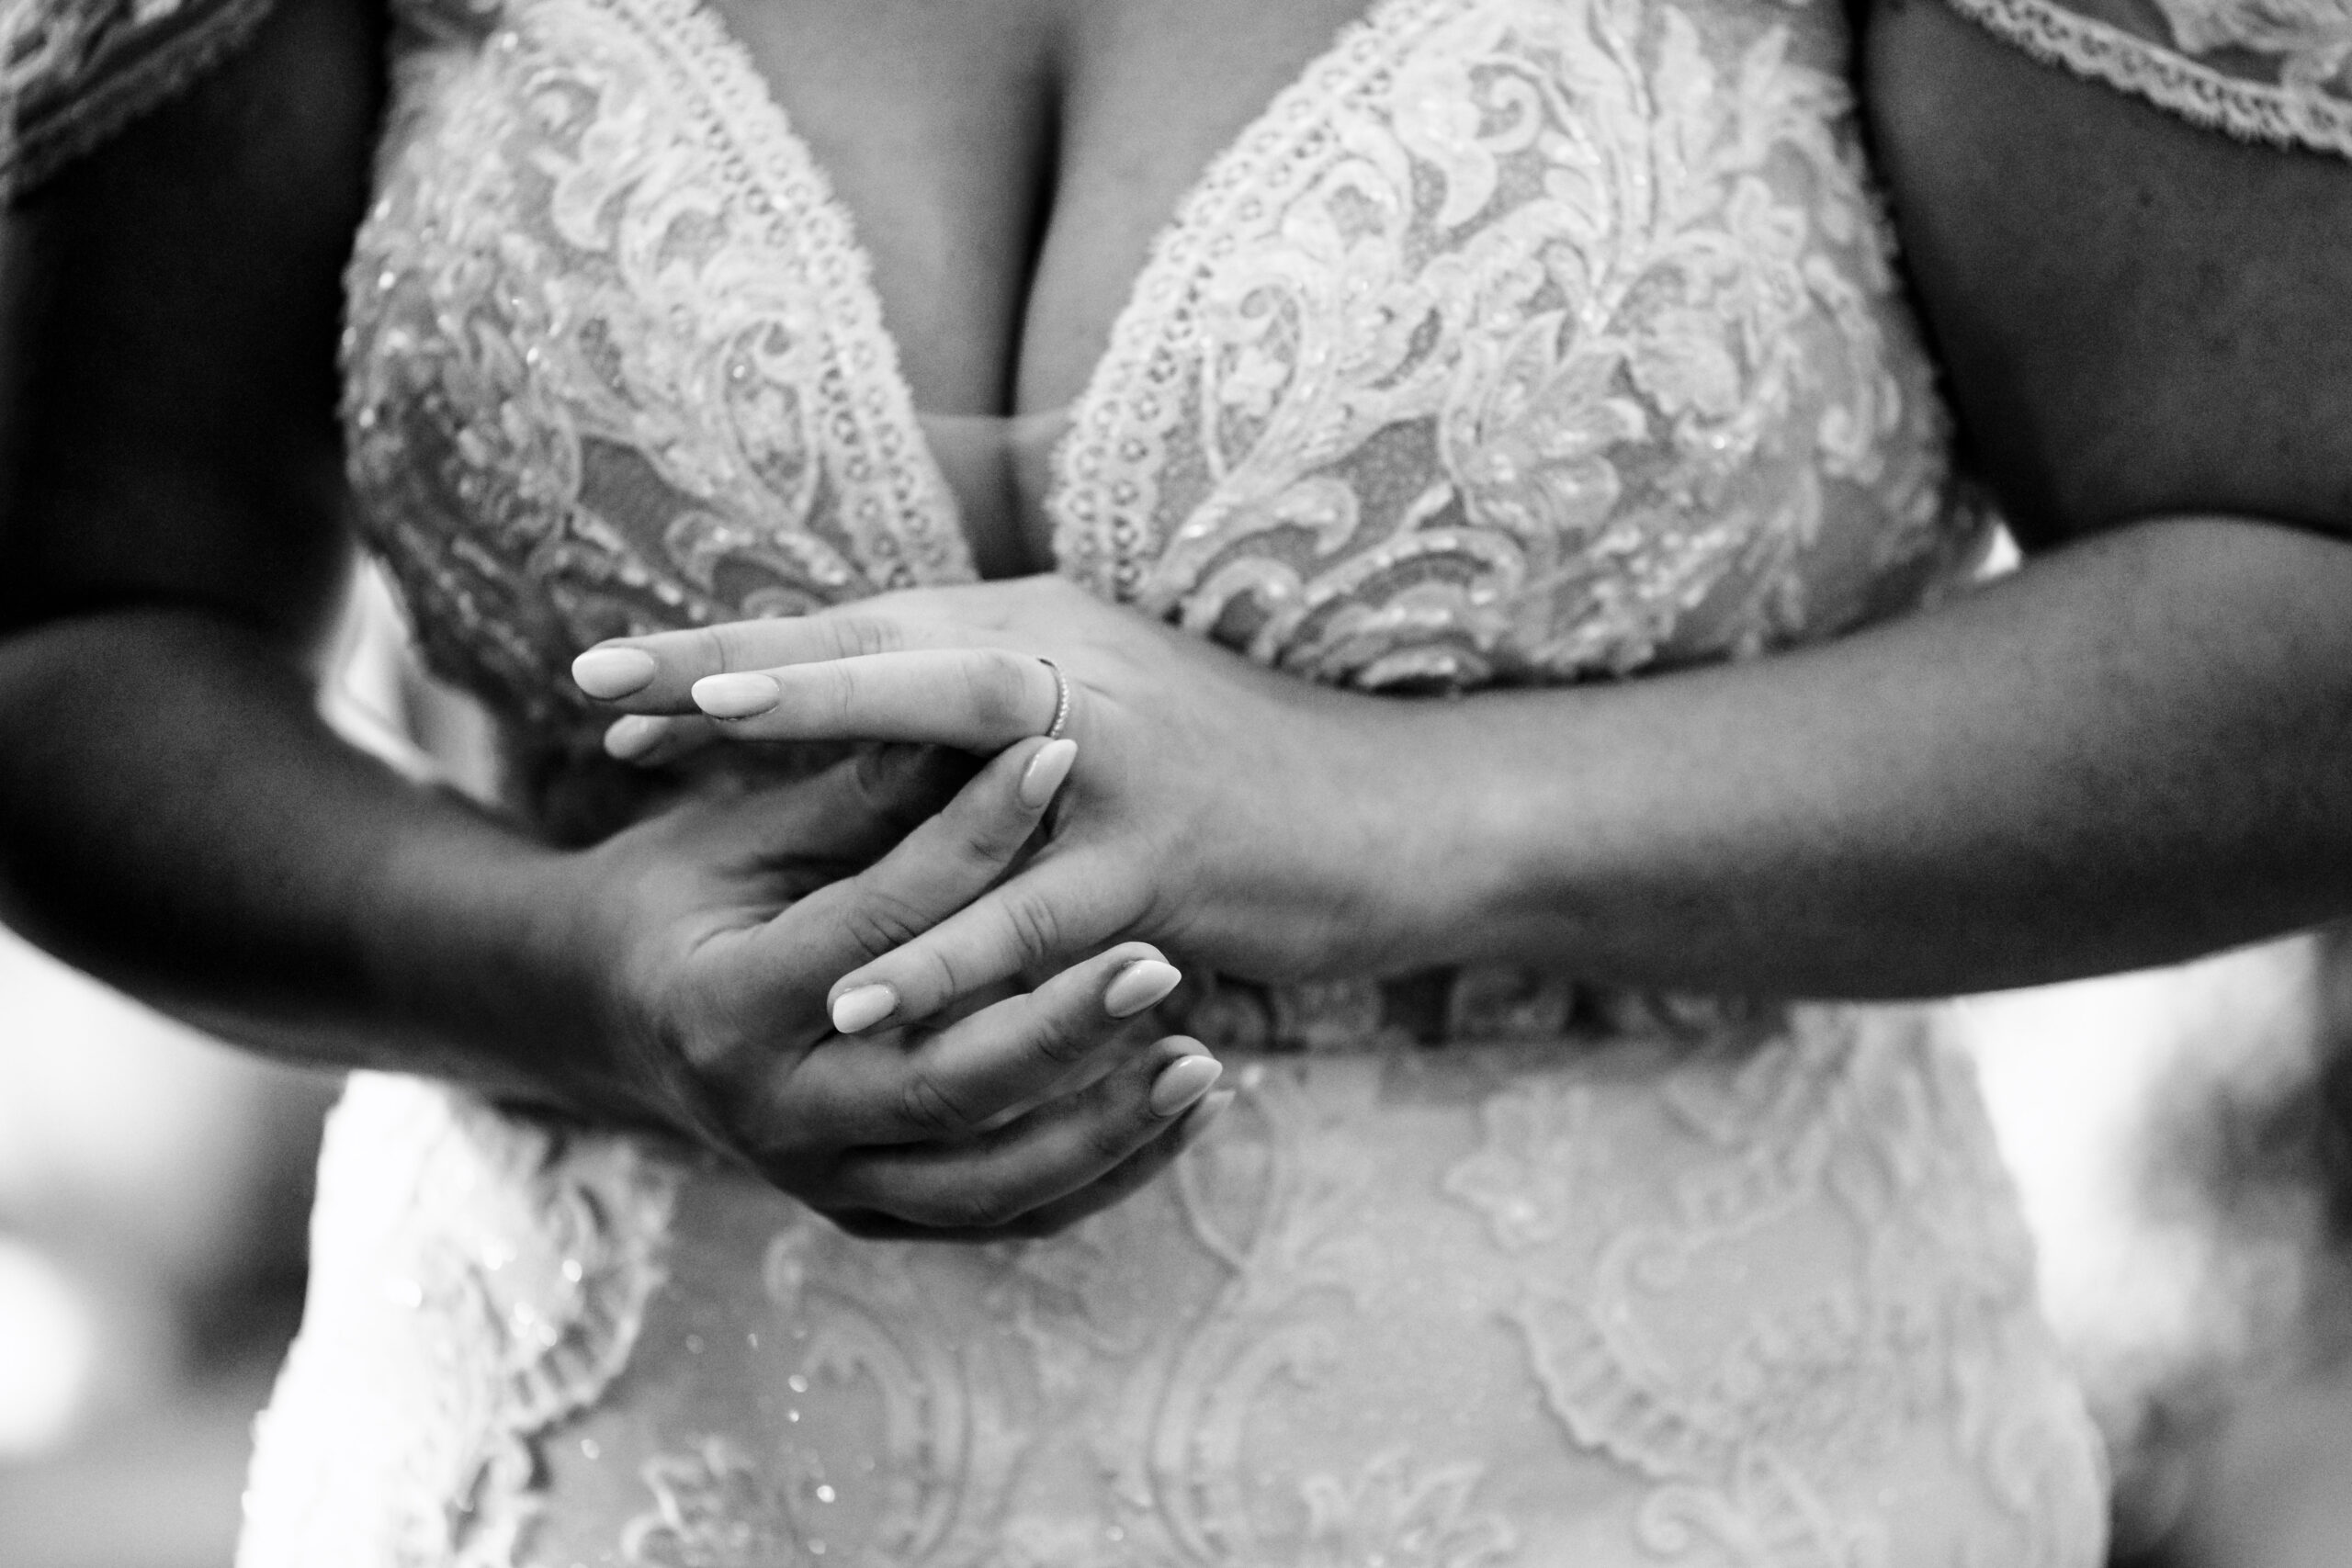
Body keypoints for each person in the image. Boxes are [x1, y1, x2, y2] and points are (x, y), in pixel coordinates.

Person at [1, 0, 2348, 1558]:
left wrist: (1387, 817)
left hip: (1663, 1468)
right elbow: (71, 634)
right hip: (608, 1457)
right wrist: (552, 965)